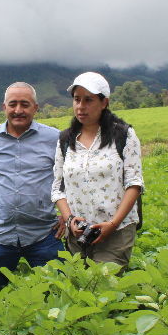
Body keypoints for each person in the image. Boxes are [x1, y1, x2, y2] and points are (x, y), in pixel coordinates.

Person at [0, 82, 64, 291]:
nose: (18, 110)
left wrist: (67, 214)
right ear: (4, 107)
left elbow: (70, 177)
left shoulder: (54, 138)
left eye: (25, 104)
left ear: (35, 108)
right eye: (13, 104)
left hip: (44, 233)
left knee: (60, 292)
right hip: (0, 234)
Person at [52, 72, 144, 267]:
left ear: (104, 103)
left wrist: (112, 225)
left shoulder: (124, 135)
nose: (80, 106)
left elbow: (134, 183)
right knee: (79, 290)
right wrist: (70, 220)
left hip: (116, 232)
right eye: (77, 100)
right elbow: (58, 189)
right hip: (78, 235)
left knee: (106, 287)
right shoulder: (66, 140)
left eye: (88, 100)